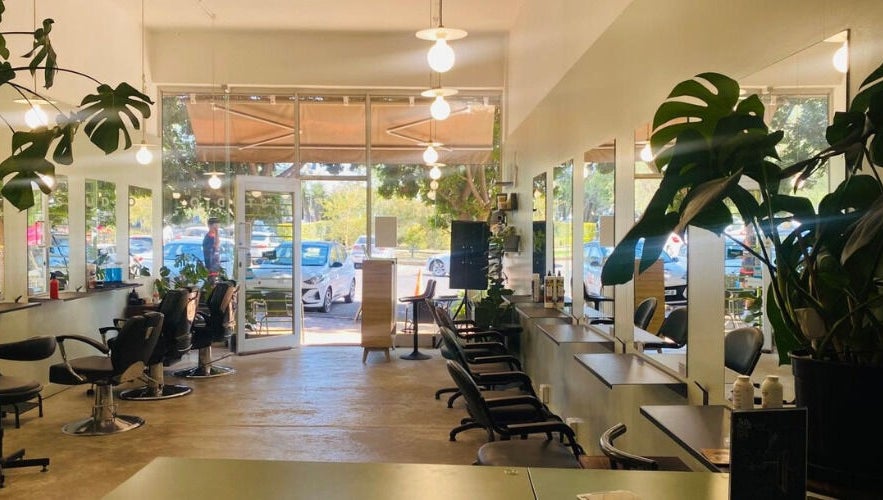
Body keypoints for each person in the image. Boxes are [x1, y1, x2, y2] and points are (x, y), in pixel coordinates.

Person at [203, 217, 222, 284]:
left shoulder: (213, 236)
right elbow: (216, 245)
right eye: (215, 226)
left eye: (218, 226)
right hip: (211, 267)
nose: (217, 228)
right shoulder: (209, 237)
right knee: (212, 286)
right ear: (210, 226)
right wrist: (217, 232)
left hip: (215, 266)